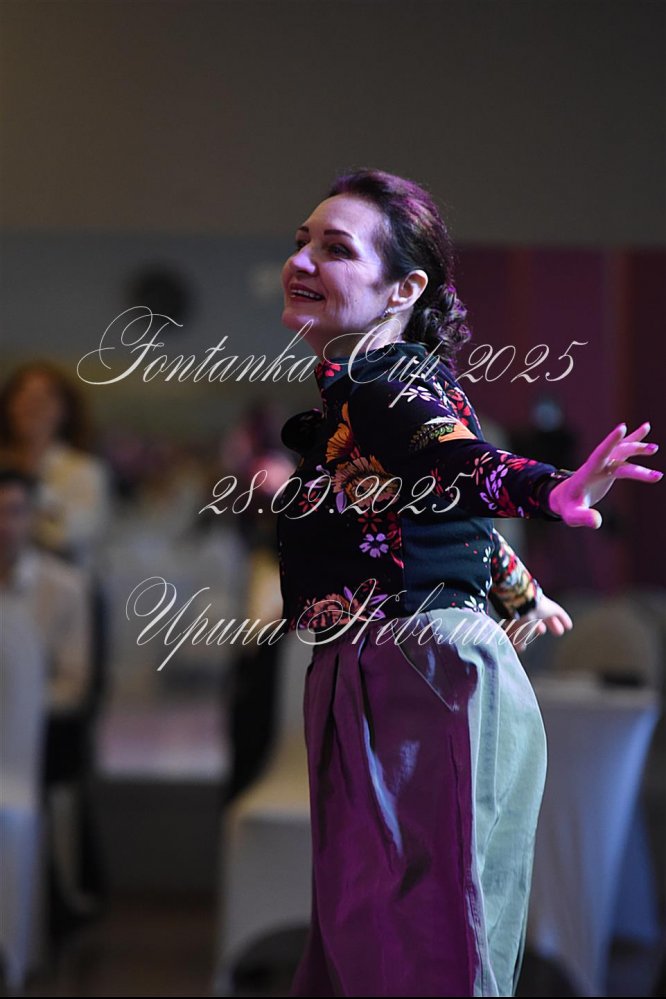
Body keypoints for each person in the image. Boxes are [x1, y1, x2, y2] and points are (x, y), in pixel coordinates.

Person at [274, 168, 661, 998]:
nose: (301, 260)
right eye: (301, 242)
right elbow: (441, 507)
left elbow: (455, 460)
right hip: (384, 669)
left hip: (417, 672)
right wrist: (519, 588)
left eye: (335, 248)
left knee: (431, 949)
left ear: (403, 289)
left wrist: (552, 490)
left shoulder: (387, 385)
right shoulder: (368, 391)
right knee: (376, 947)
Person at [0, 360, 112, 570]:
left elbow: (73, 535)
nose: (31, 406)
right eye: (23, 397)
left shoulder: (85, 470)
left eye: (42, 400)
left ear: (64, 410)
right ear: (9, 405)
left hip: (58, 578)